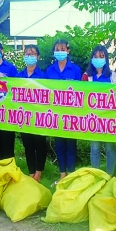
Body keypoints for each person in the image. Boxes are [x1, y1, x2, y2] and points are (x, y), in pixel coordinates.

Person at [45, 39, 82, 184]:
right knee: (59, 144)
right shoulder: (49, 70)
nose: (60, 51)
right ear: (54, 52)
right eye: (57, 49)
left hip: (71, 113)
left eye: (62, 49)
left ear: (68, 51)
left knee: (71, 144)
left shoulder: (75, 69)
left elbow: (80, 91)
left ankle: (71, 174)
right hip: (55, 113)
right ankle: (62, 174)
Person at [81, 45, 116, 176]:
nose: (98, 59)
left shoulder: (114, 77)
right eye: (96, 57)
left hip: (110, 119)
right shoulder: (86, 77)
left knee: (110, 148)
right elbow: (82, 96)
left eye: (101, 56)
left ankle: (109, 176)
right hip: (93, 119)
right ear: (92, 58)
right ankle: (96, 176)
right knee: (95, 148)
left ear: (106, 59)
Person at [16, 45, 47, 182]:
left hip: (39, 116)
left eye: (33, 53)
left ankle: (39, 172)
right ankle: (31, 171)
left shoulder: (43, 76)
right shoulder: (18, 76)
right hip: (24, 116)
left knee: (40, 144)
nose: (29, 56)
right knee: (28, 144)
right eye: (27, 53)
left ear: (38, 57)